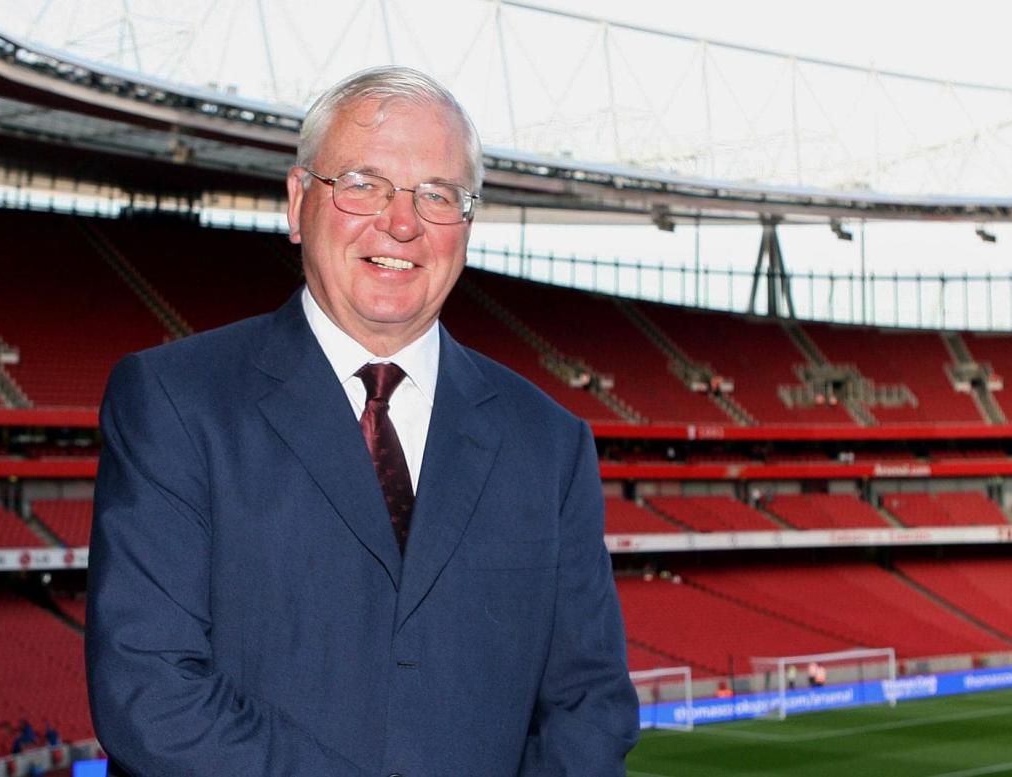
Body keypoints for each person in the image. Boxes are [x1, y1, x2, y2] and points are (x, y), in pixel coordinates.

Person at [86, 65, 638, 776]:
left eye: (437, 193)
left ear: (466, 223)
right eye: (362, 184)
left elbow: (588, 704)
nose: (401, 222)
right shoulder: (174, 401)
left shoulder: (551, 444)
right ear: (297, 201)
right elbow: (149, 690)